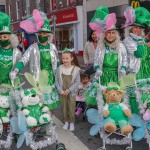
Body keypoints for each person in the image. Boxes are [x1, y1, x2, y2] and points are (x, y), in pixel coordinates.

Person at [9, 9, 60, 111]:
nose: (41, 36)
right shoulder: (33, 48)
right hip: (37, 80)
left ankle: (50, 122)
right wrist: (15, 70)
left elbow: (57, 63)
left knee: (51, 105)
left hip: (51, 80)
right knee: (40, 104)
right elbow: (23, 60)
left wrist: (61, 76)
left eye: (44, 34)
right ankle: (43, 123)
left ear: (48, 35)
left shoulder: (53, 47)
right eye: (40, 34)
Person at [85, 6, 127, 106]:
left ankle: (115, 118)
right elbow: (95, 60)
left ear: (116, 34)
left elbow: (125, 58)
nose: (111, 35)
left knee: (116, 98)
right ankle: (104, 117)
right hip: (103, 76)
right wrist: (97, 68)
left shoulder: (121, 46)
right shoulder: (100, 47)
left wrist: (124, 68)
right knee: (103, 98)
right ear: (105, 34)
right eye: (108, 33)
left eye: (113, 33)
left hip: (116, 76)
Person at [123, 7, 150, 114]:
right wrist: (143, 42)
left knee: (143, 95)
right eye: (135, 27)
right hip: (130, 72)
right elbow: (139, 53)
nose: (137, 30)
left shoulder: (141, 40)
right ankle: (132, 118)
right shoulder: (128, 40)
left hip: (142, 71)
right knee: (130, 96)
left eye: (139, 28)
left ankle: (143, 118)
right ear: (130, 28)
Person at [55, 50, 80, 131]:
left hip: (71, 92)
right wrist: (60, 90)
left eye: (67, 58)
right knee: (64, 107)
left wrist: (69, 90)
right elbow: (57, 81)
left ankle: (72, 122)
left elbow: (77, 82)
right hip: (62, 92)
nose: (65, 60)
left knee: (71, 107)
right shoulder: (59, 69)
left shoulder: (75, 70)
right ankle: (66, 121)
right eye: (63, 58)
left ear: (72, 59)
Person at [0, 12, 22, 86]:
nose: (2, 39)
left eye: (5, 37)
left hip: (12, 87)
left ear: (10, 37)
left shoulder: (17, 53)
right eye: (0, 37)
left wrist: (16, 72)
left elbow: (21, 66)